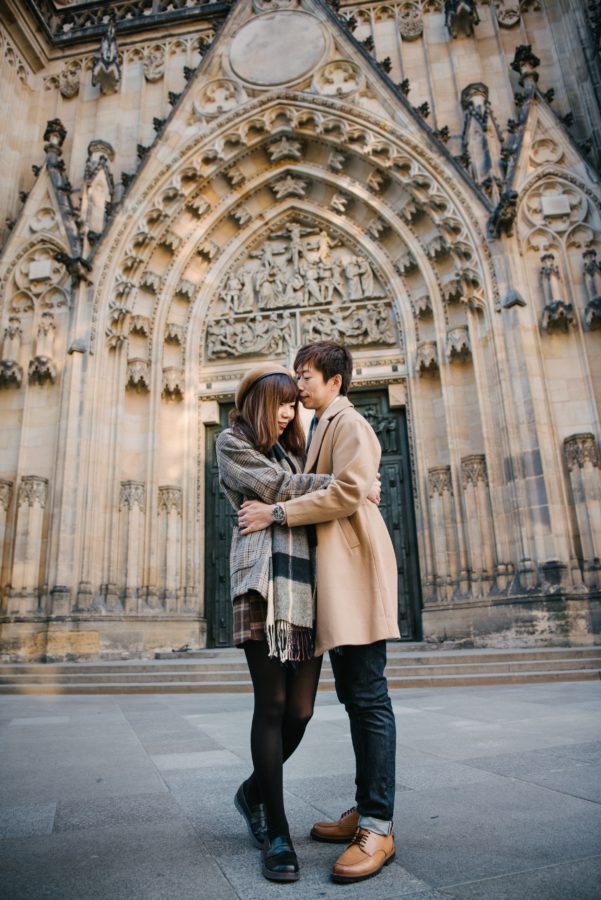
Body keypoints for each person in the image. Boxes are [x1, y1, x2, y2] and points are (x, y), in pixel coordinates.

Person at [238, 341, 400, 885]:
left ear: (334, 381)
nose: (298, 386)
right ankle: (366, 806)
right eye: (295, 378)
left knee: (368, 698)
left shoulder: (348, 422)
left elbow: (349, 490)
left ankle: (377, 824)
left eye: (305, 376)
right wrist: (346, 486)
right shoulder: (314, 431)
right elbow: (346, 486)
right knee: (355, 698)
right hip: (327, 584)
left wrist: (280, 511)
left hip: (353, 579)